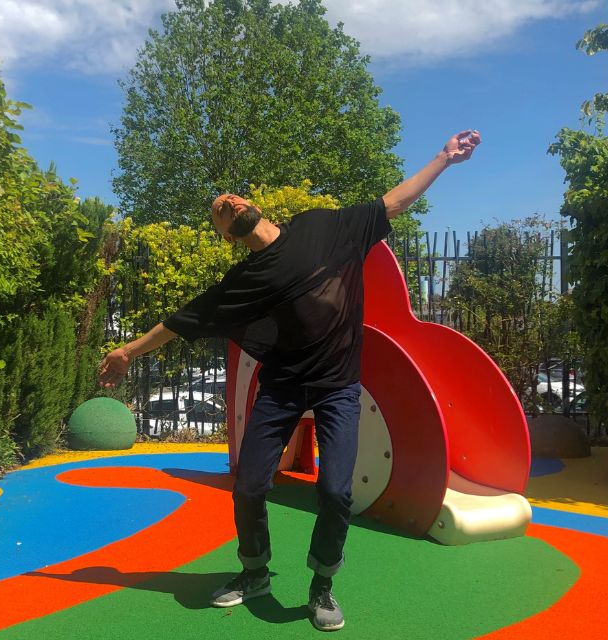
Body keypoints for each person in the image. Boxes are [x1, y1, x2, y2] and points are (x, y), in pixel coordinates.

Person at [99, 130, 481, 631]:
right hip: (281, 389)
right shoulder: (245, 281)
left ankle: (322, 584)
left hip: (339, 385)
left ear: (252, 204)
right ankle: (253, 571)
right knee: (250, 487)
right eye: (220, 208)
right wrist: (128, 351)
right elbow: (182, 320)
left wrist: (444, 158)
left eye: (231, 196)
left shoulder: (325, 228)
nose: (229, 202)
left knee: (336, 492)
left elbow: (395, 201)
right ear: (226, 233)